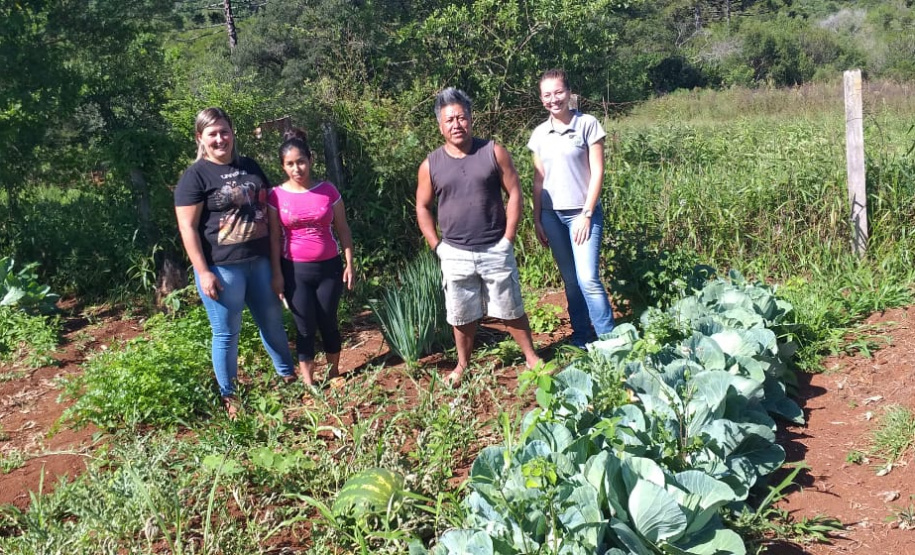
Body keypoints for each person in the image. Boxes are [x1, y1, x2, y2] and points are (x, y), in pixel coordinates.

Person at [175, 107, 296, 419]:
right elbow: (187, 227)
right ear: (200, 138)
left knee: (272, 321)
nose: (220, 139)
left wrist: (278, 260)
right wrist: (203, 272)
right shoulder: (195, 176)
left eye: (224, 132)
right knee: (227, 333)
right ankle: (230, 397)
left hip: (260, 261)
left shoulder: (249, 165)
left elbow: (270, 206)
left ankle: (288, 376)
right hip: (222, 268)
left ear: (232, 134)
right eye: (212, 134)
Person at [416, 87, 542, 386]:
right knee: (461, 315)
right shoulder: (431, 164)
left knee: (511, 307)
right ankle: (462, 365)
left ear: (471, 119)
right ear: (440, 126)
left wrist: (508, 238)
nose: (456, 124)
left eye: (461, 117)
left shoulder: (493, 152)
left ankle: (531, 357)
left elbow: (514, 193)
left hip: (495, 247)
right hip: (455, 252)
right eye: (449, 120)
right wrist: (437, 246)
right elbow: (422, 207)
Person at [527, 69, 615, 348]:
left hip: (582, 214)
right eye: (547, 95)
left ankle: (610, 341)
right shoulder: (540, 134)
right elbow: (539, 179)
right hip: (551, 216)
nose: (553, 99)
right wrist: (537, 219)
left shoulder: (588, 124)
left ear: (569, 93)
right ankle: (582, 336)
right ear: (541, 99)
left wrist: (587, 214)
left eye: (558, 92)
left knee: (587, 278)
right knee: (571, 279)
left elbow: (598, 171)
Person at [267, 128, 355, 387]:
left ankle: (334, 372)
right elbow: (274, 238)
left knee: (328, 321)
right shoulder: (276, 195)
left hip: (329, 268)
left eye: (301, 161)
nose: (297, 168)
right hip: (294, 271)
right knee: (304, 326)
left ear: (311, 160)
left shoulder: (327, 190)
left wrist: (350, 263)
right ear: (283, 166)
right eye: (290, 164)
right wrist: (277, 274)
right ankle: (309, 381)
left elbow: (343, 228)